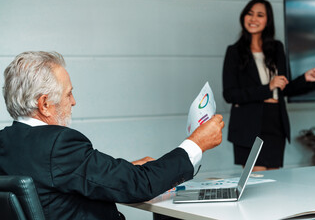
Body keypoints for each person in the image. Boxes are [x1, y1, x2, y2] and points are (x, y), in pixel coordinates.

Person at [0, 51, 225, 220]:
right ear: (45, 104)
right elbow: (139, 185)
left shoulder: (7, 142)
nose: (73, 101)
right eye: (69, 93)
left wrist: (125, 168)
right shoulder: (57, 143)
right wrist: (196, 143)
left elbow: (56, 178)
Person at [222, 0, 315, 172]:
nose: (253, 19)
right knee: (258, 184)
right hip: (248, 124)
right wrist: (267, 88)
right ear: (243, 17)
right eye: (250, 13)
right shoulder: (234, 52)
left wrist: (305, 78)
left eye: (260, 15)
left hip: (275, 122)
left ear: (267, 20)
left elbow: (284, 88)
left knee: (275, 183)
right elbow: (230, 94)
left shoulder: (276, 48)